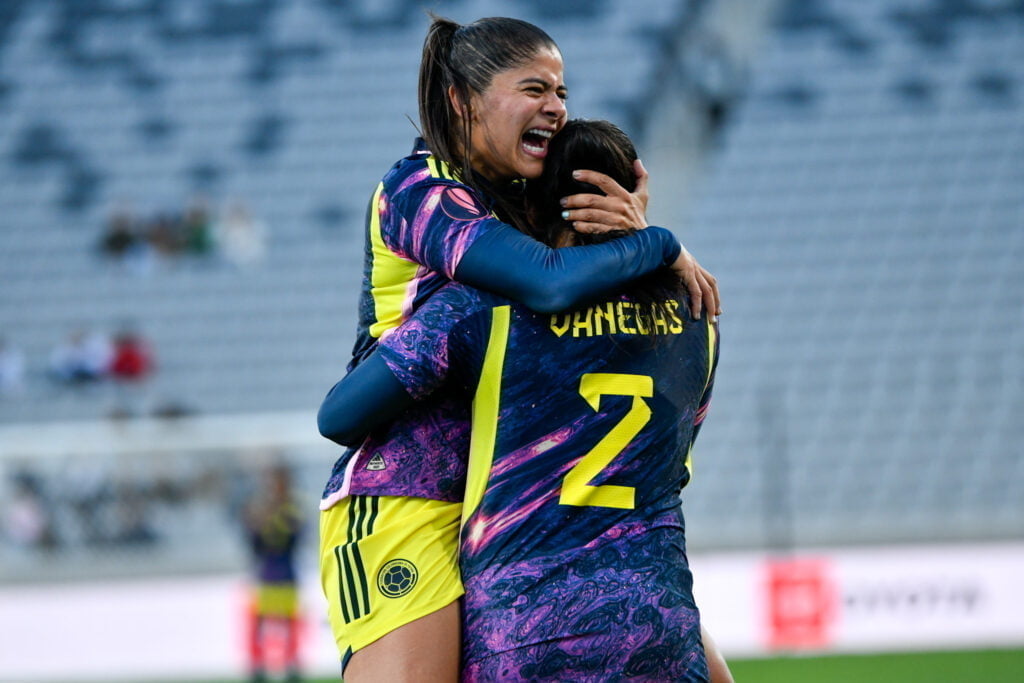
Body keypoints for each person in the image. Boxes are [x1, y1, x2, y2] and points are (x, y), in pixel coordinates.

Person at [317, 15, 720, 681]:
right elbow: (547, 282)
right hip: (407, 497)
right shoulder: (419, 188)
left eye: (562, 92)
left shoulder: (524, 201)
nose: (556, 108)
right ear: (462, 99)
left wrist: (630, 228)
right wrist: (658, 246)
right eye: (534, 88)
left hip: (519, 511)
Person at [244, 464, 304, 683]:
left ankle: (290, 666)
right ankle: (259, 666)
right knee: (260, 624)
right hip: (266, 575)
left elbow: (293, 538)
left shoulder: (290, 510)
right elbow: (255, 543)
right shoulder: (264, 510)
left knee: (288, 624)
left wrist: (267, 523)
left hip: (285, 575)